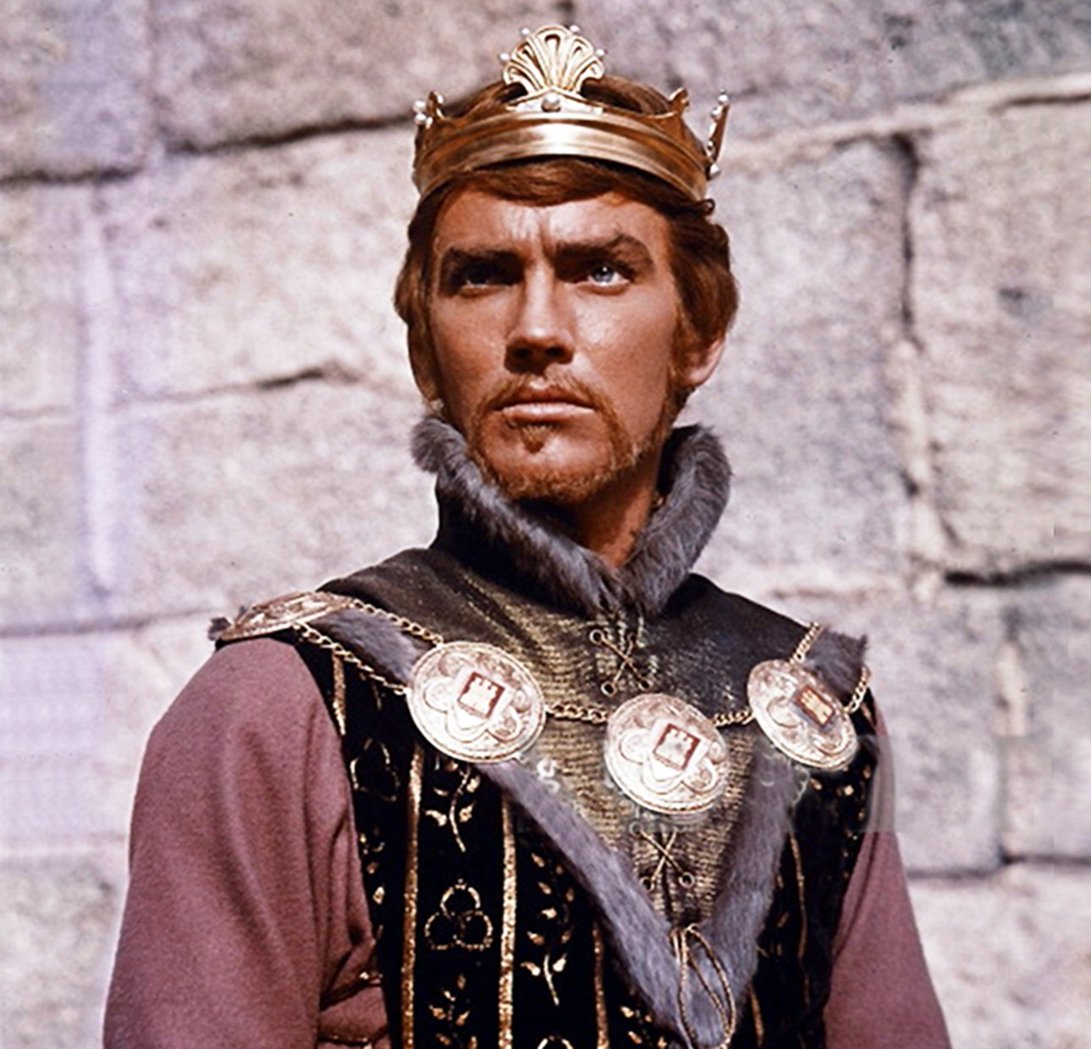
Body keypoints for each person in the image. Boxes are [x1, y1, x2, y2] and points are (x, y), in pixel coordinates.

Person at [105, 24, 949, 1049]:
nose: (537, 328)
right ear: (426, 349)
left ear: (698, 333)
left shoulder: (816, 712)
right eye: (482, 276)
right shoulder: (276, 705)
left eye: (600, 271)